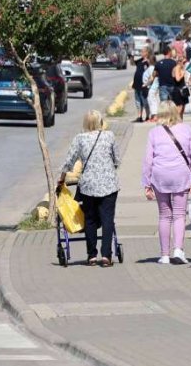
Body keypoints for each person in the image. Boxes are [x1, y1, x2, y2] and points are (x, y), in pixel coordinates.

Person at [142, 100, 191, 265]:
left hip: (160, 176)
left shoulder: (154, 133)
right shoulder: (186, 129)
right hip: (181, 176)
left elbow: (148, 160)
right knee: (179, 215)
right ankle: (178, 249)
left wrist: (146, 183)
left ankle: (164, 255)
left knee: (164, 215)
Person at [58, 110, 120, 267]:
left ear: (86, 123)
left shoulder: (80, 139)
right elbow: (117, 160)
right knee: (107, 220)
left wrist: (62, 179)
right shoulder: (109, 136)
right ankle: (106, 255)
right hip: (109, 184)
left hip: (88, 186)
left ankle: (91, 256)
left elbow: (69, 161)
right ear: (100, 121)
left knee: (90, 220)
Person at [131, 47, 150, 122]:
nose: (141, 53)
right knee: (138, 101)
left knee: (145, 101)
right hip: (137, 84)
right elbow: (132, 63)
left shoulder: (148, 62)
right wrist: (131, 56)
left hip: (144, 85)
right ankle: (139, 116)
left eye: (142, 52)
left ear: (146, 53)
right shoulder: (140, 61)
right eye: (141, 52)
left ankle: (148, 115)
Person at [144, 54, 159, 122]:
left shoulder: (151, 68)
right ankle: (153, 116)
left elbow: (151, 78)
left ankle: (154, 116)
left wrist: (145, 84)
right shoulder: (154, 67)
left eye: (147, 59)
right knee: (153, 100)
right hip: (154, 86)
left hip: (153, 87)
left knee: (152, 101)